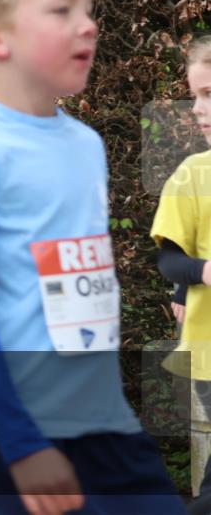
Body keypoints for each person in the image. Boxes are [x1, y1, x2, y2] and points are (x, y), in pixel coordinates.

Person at [0, 0, 185, 515]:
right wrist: (21, 444)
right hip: (6, 441)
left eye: (87, 10)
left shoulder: (85, 144)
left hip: (107, 428)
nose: (88, 25)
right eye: (62, 10)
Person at [151, 35, 211, 515]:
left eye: (208, 94)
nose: (197, 108)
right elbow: (169, 259)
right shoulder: (192, 174)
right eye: (195, 95)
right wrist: (201, 272)